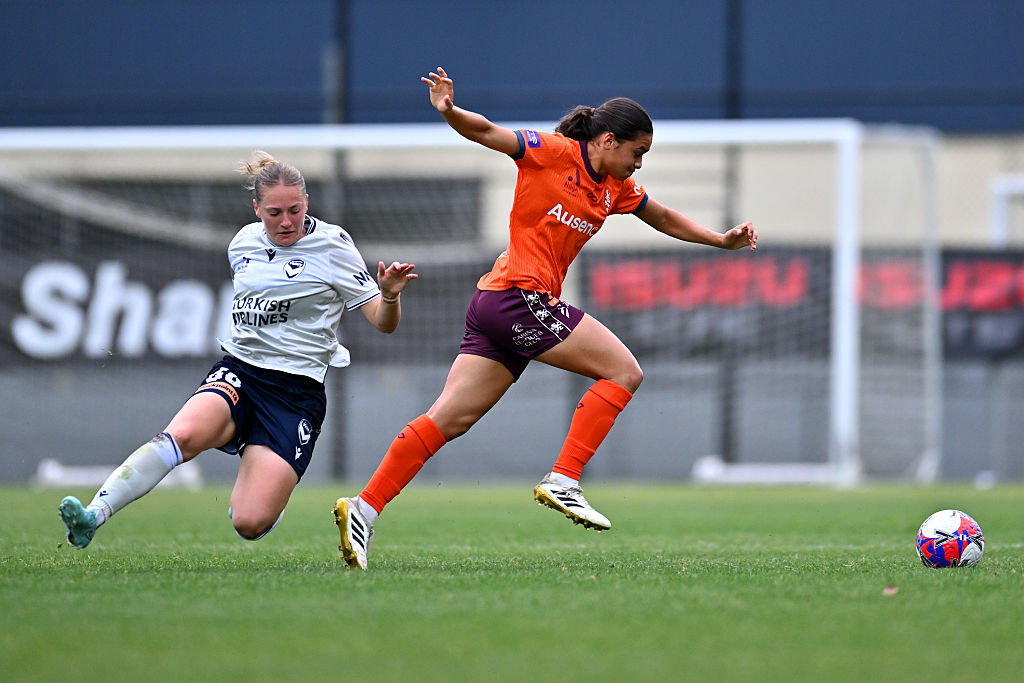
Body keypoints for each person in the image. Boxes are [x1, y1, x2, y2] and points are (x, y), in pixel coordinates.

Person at [332, 67, 758, 570]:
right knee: (625, 372)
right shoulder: (552, 152)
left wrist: (717, 240)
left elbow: (661, 216)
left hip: (499, 305)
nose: (639, 165)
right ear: (606, 139)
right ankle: (564, 478)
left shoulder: (613, 188)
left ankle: (363, 507)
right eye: (636, 152)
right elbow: (489, 132)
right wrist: (449, 111)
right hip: (516, 297)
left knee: (450, 419)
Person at [59, 151, 417, 548]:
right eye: (274, 212)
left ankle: (268, 494)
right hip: (241, 371)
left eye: (294, 210)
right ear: (256, 208)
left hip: (295, 394)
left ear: (307, 203)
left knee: (249, 523)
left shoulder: (333, 246)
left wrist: (387, 296)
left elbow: (384, 324)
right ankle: (93, 515)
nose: (286, 221)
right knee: (180, 436)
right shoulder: (242, 243)